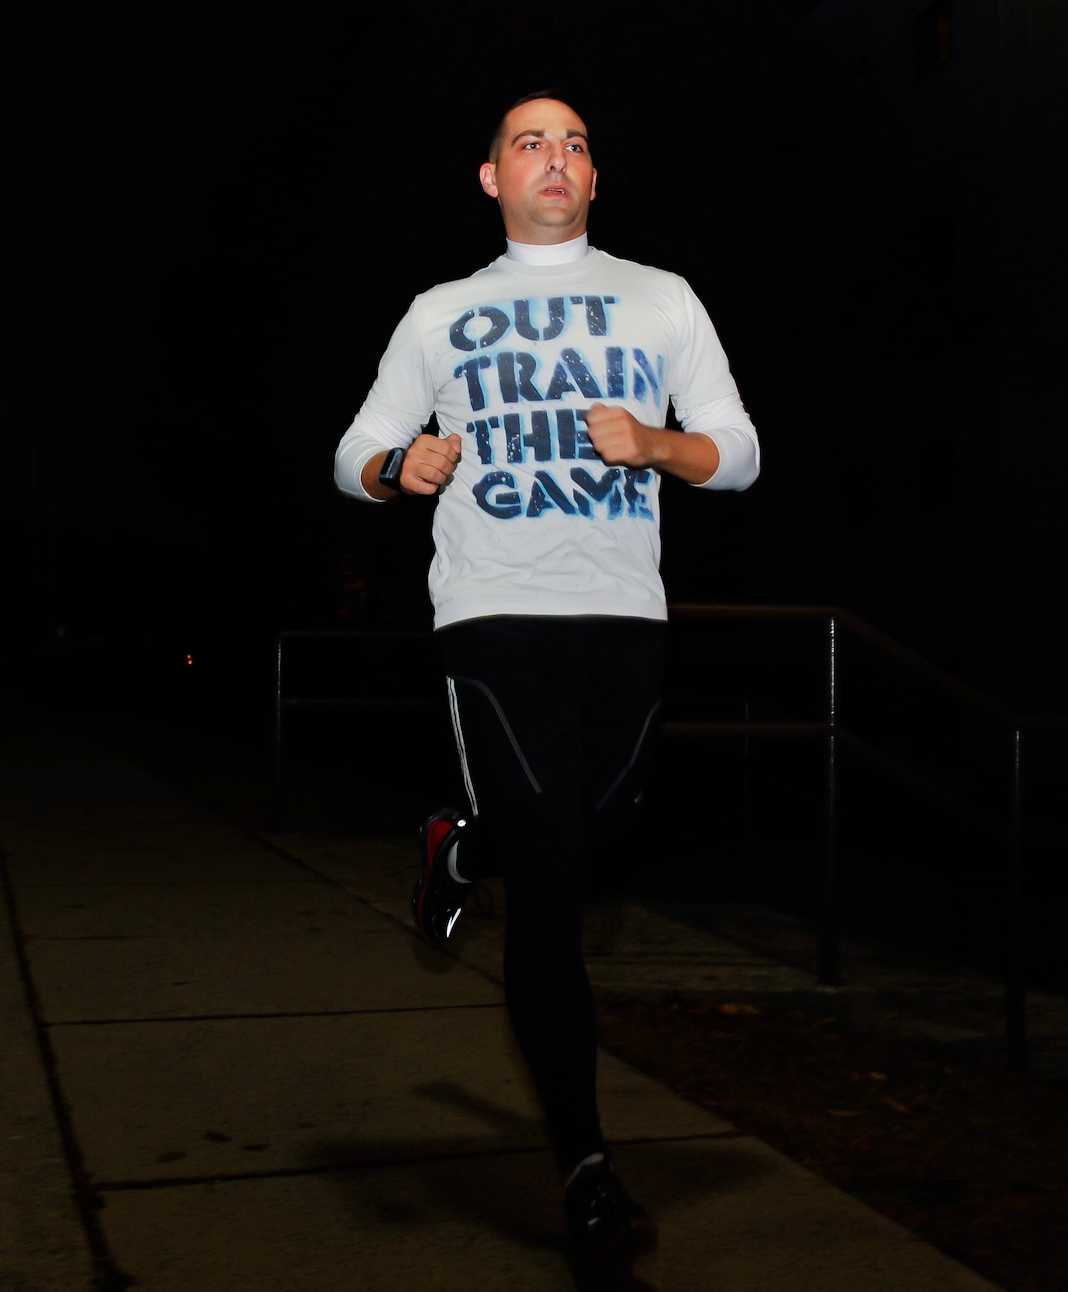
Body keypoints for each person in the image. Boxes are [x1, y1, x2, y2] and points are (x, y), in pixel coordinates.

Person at [331, 90, 760, 1270]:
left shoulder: (659, 298)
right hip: (494, 612)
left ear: (592, 175)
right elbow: (349, 450)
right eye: (529, 141)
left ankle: (458, 847)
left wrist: (660, 445)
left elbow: (738, 446)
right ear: (490, 178)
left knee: (598, 828)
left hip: (622, 614)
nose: (554, 158)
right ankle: (584, 1169)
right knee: (558, 892)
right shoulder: (441, 312)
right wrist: (393, 464)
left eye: (573, 143)